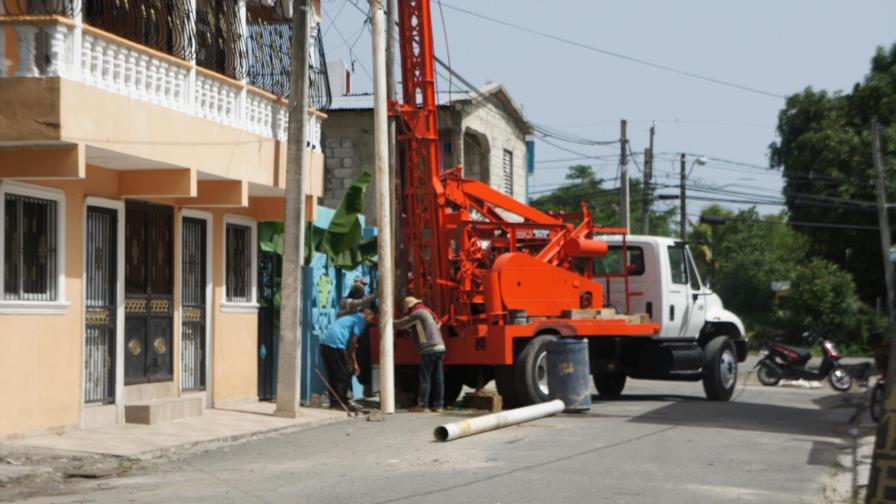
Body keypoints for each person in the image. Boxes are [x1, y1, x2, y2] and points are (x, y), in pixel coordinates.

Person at [394, 296, 446, 412]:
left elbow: (401, 324)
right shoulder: (429, 313)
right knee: (438, 378)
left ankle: (423, 405)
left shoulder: (417, 314)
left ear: (410, 307)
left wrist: (386, 321)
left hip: (428, 348)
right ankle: (439, 405)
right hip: (440, 347)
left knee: (425, 378)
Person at [319, 308, 375, 410]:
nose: (371, 322)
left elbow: (352, 345)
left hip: (324, 343)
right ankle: (342, 402)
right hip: (336, 344)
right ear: (367, 315)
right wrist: (352, 362)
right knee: (344, 374)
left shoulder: (350, 318)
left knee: (332, 375)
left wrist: (354, 363)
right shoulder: (360, 320)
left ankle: (334, 403)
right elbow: (353, 342)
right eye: (371, 319)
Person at [338, 277, 377, 398]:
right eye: (362, 286)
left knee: (363, 361)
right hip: (350, 335)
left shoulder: (366, 302)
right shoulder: (347, 302)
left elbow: (374, 313)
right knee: (348, 361)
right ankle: (348, 390)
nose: (363, 289)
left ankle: (366, 387)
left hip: (362, 335)